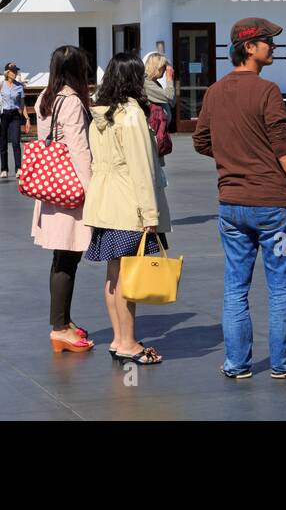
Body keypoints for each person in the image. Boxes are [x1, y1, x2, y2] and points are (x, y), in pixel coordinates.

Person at [193, 17, 286, 380]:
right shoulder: (267, 91)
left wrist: (233, 155)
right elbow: (282, 144)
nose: (273, 47)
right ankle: (283, 363)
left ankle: (237, 363)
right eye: (267, 42)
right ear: (249, 47)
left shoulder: (214, 91)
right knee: (281, 287)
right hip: (273, 206)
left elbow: (201, 140)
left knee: (235, 285)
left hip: (231, 205)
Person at [84, 52, 171, 366]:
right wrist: (150, 215)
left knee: (114, 273)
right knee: (129, 277)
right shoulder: (132, 114)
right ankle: (129, 342)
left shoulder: (101, 112)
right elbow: (142, 168)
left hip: (104, 200)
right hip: (128, 203)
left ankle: (119, 338)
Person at [34, 45, 95, 354]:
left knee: (62, 256)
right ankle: (59, 328)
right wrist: (92, 189)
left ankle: (63, 322)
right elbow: (79, 148)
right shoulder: (70, 102)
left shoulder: (45, 97)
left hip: (51, 183)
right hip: (71, 188)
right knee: (67, 257)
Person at [0, 62, 27, 179]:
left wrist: (26, 118)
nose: (15, 73)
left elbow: (22, 104)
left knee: (16, 142)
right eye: (12, 71)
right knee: (3, 143)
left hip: (15, 115)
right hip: (4, 115)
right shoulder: (1, 84)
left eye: (16, 71)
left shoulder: (19, 86)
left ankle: (18, 168)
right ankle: (4, 169)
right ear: (7, 72)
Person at [143, 52, 176, 119]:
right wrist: (169, 79)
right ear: (157, 67)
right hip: (153, 127)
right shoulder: (146, 83)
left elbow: (172, 103)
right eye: (164, 66)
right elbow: (169, 97)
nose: (165, 70)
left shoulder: (154, 82)